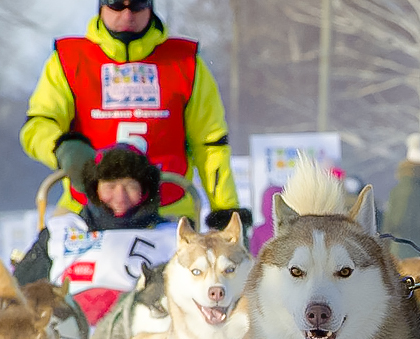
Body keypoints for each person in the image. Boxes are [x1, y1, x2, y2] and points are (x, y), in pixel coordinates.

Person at [20, 0, 249, 232]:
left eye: (137, 5)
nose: (128, 14)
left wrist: (226, 212)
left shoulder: (186, 62)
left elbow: (210, 144)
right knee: (38, 262)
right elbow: (38, 125)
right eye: (117, 5)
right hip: (85, 211)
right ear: (101, 5)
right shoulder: (69, 59)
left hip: (169, 215)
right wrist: (65, 150)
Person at [14, 144, 178, 325]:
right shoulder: (62, 232)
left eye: (130, 186)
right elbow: (19, 292)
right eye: (110, 186)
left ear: (145, 190)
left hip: (140, 332)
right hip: (68, 331)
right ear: (94, 188)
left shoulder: (171, 237)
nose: (120, 196)